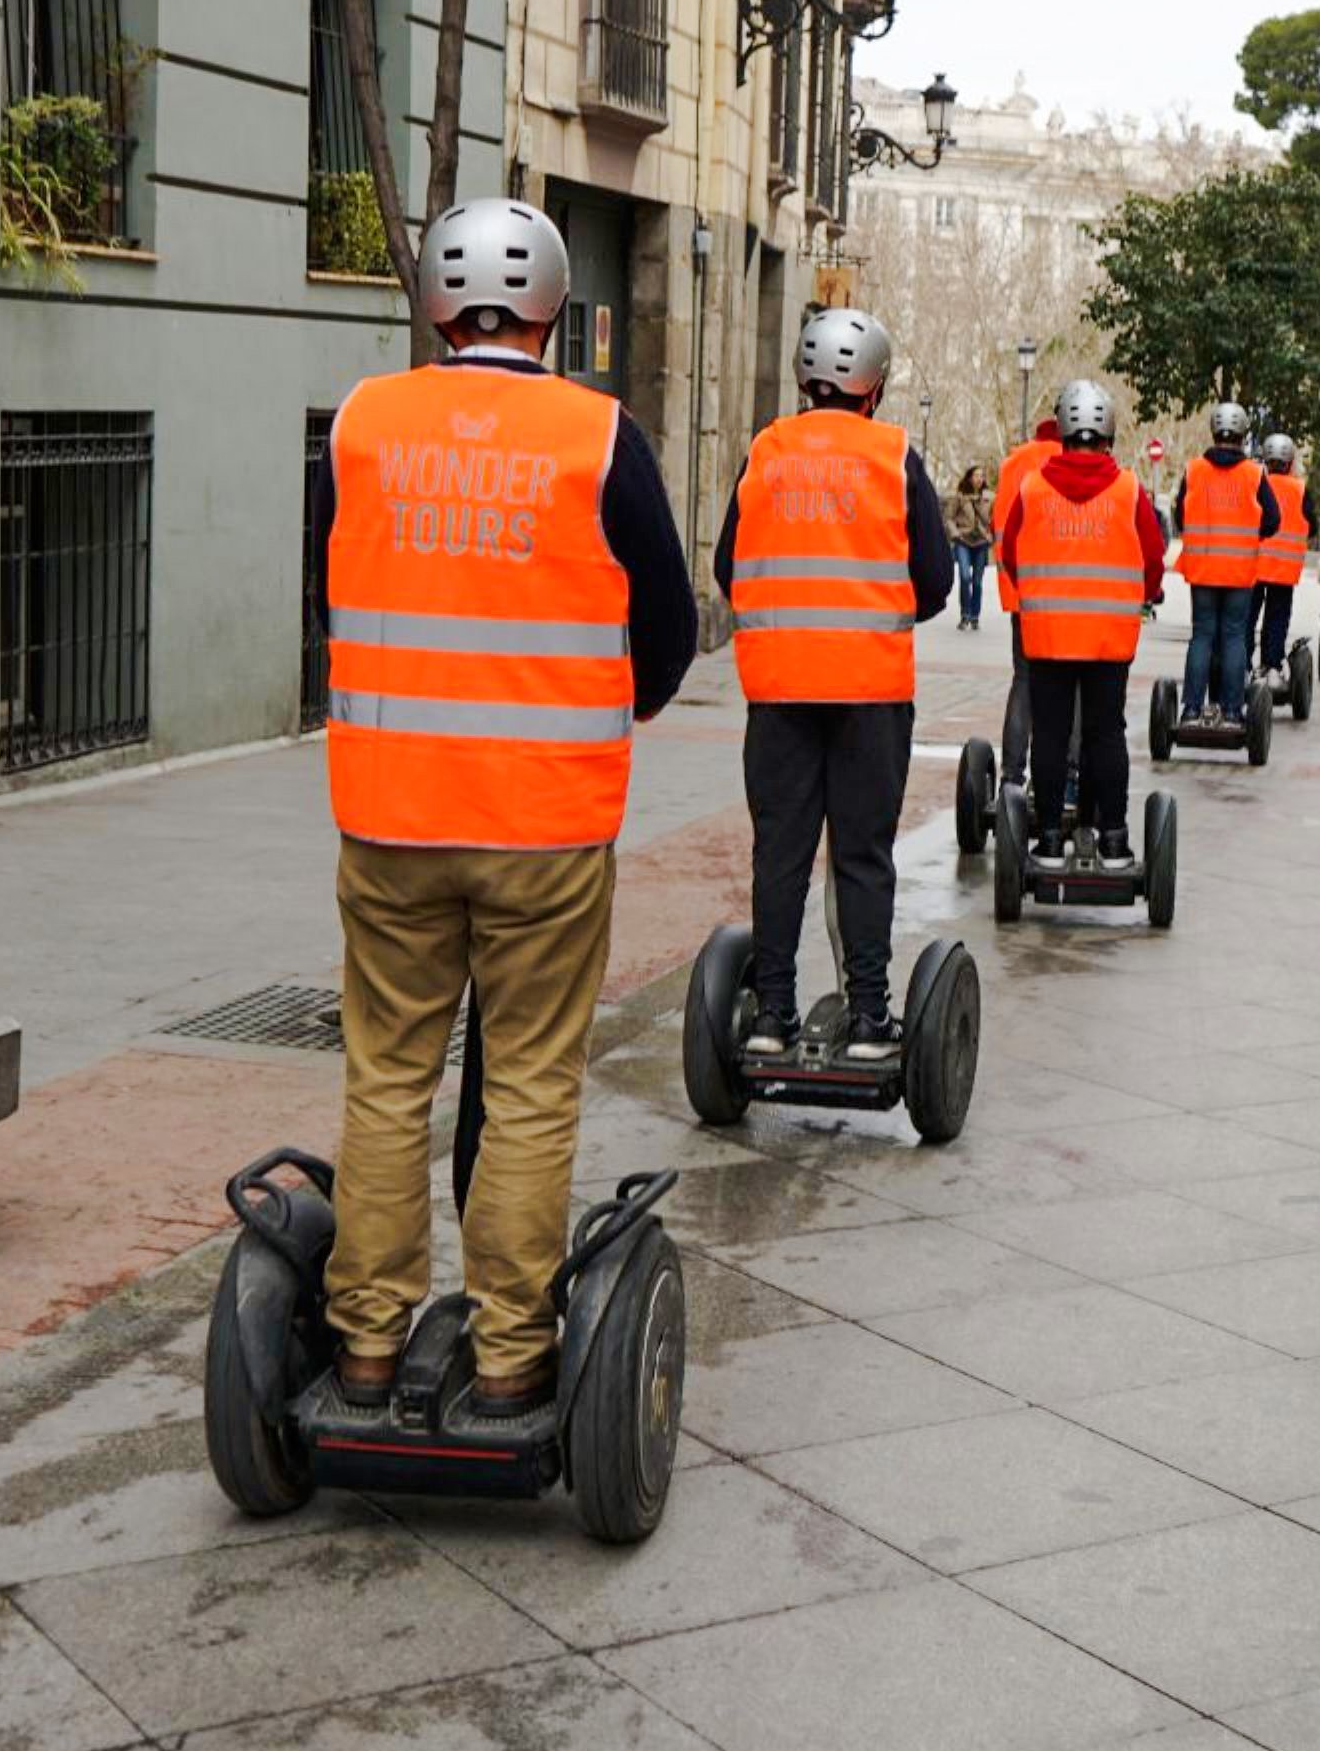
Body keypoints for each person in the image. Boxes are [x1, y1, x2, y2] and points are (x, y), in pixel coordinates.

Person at [311, 197, 700, 1415]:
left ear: (433, 303)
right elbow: (674, 625)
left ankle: (366, 1344)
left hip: (388, 816)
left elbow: (330, 589)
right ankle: (509, 1355)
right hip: (543, 824)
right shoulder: (597, 436)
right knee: (529, 1081)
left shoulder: (364, 424)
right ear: (552, 310)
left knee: (385, 1078)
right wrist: (607, 706)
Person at [714, 307, 955, 1061]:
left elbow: (728, 567)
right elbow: (938, 580)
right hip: (870, 695)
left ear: (802, 381)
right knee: (862, 854)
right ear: (874, 387)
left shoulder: (766, 453)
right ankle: (870, 1021)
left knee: (780, 856)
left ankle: (771, 1016)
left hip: (778, 690)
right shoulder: (894, 456)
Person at [994, 380, 1166, 858]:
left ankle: (1047, 836)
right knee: (1105, 732)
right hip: (1109, 640)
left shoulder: (1032, 487)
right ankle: (1112, 837)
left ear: (1063, 433)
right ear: (1108, 435)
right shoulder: (1129, 490)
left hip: (1048, 636)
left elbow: (1010, 554)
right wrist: (1146, 593)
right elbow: (1153, 558)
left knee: (1048, 734)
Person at [1175, 402, 1280, 721]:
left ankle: (1192, 709)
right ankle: (1233, 711)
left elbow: (1181, 515)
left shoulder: (1194, 471)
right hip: (1239, 571)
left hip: (1203, 569)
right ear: (1243, 435)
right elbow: (1273, 520)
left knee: (1202, 635)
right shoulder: (1254, 474)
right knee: (1234, 637)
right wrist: (1249, 533)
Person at [990, 411, 1065, 778]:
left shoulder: (1014, 462)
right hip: (1066, 594)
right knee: (1072, 686)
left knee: (1023, 679)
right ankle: (1065, 775)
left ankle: (1011, 773)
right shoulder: (1072, 458)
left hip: (1022, 590)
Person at [1255, 431, 1309, 678]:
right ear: (1289, 462)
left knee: (1247, 618)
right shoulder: (1300, 489)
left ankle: (1242, 666)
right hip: (1285, 568)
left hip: (1254, 565)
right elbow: (1314, 524)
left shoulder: (1257, 483)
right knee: (1276, 619)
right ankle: (1272, 666)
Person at [945, 463, 995, 631]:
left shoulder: (990, 497)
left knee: (977, 582)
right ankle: (964, 615)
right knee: (965, 577)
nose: (979, 478)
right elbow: (949, 518)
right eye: (976, 475)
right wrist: (955, 533)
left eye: (982, 476)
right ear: (969, 477)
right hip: (963, 541)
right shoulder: (959, 497)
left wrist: (991, 535)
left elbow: (995, 520)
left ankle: (975, 616)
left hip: (981, 542)